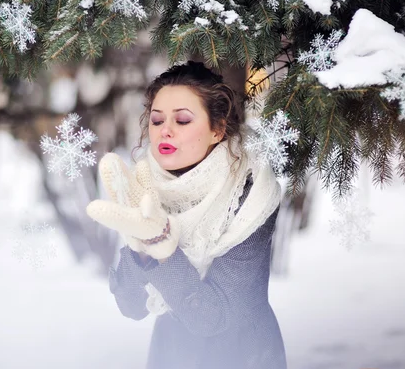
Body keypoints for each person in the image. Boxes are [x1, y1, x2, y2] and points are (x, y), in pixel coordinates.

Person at [86, 61, 287, 369]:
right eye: (156, 120)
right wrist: (139, 249)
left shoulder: (249, 192)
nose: (165, 130)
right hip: (171, 355)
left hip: (242, 355)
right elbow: (132, 306)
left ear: (217, 129)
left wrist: (163, 248)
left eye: (182, 120)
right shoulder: (148, 187)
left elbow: (213, 317)